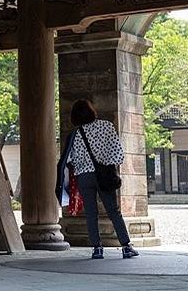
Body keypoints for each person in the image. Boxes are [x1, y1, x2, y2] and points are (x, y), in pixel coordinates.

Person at [56, 99, 139, 260]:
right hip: (104, 175)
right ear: (91, 111)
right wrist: (106, 164)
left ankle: (97, 248)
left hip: (84, 177)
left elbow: (72, 159)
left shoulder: (76, 133)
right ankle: (126, 246)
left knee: (91, 214)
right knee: (113, 211)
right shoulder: (106, 126)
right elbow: (117, 153)